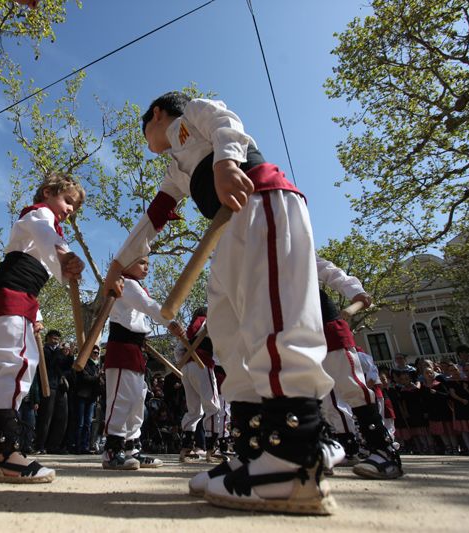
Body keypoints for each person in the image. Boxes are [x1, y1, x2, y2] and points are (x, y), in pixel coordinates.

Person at [103, 92, 339, 513]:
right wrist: (118, 265)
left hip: (261, 201)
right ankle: (253, 452)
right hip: (225, 231)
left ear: (157, 114)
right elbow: (153, 218)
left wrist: (227, 163)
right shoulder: (176, 169)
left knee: (274, 324)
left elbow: (227, 123)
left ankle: (293, 457)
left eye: (145, 130)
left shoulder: (193, 110)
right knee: (228, 335)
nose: (147, 140)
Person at [0, 173, 85, 483]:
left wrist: (34, 311)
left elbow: (40, 263)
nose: (69, 209)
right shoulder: (39, 215)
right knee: (16, 367)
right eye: (67, 201)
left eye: (74, 207)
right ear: (48, 192)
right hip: (12, 298)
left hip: (9, 299)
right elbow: (45, 232)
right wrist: (65, 256)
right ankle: (5, 455)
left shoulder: (39, 230)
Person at [315, 258, 402, 478]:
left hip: (324, 324)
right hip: (288, 333)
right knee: (310, 393)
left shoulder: (288, 238)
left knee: (350, 385)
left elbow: (327, 269)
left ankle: (383, 451)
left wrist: (355, 291)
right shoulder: (243, 256)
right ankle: (326, 448)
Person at [102, 256, 183, 470]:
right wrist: (170, 321)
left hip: (136, 348)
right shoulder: (125, 283)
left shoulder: (134, 286)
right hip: (122, 346)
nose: (146, 267)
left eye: (148, 263)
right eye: (141, 262)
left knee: (137, 400)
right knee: (121, 400)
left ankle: (133, 449)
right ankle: (112, 450)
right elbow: (148, 305)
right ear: (126, 264)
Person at [176, 307, 222, 463]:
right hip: (202, 365)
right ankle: (211, 449)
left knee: (194, 410)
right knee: (213, 406)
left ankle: (186, 449)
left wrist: (185, 364)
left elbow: (178, 351)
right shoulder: (210, 323)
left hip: (187, 368)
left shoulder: (188, 331)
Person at [74, 345, 100, 454]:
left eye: (97, 353)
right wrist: (98, 377)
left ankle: (85, 446)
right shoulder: (82, 363)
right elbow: (85, 378)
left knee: (88, 423)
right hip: (81, 395)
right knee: (80, 422)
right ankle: (77, 446)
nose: (96, 354)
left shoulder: (98, 366)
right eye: (94, 352)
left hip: (92, 397)